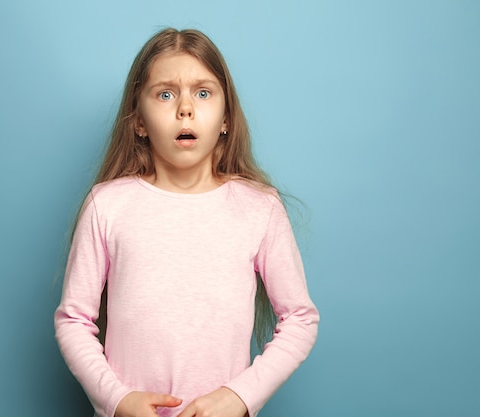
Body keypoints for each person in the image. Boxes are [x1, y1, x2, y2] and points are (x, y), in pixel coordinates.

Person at [54, 28, 319, 417]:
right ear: (138, 121)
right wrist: (117, 399)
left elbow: (300, 318)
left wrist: (239, 396)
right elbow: (73, 320)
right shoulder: (107, 205)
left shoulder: (259, 208)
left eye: (203, 92)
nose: (185, 108)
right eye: (165, 94)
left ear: (226, 118)